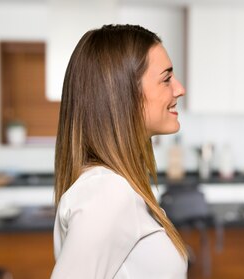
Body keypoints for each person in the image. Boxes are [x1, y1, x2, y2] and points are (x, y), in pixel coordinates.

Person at [51, 24, 187, 279]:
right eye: (166, 78)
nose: (179, 89)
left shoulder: (115, 187)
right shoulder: (107, 192)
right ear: (123, 93)